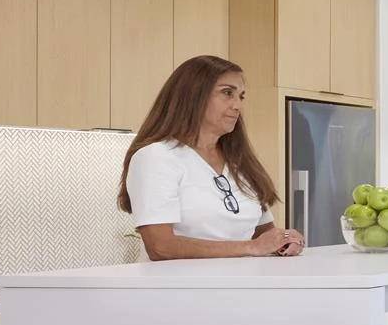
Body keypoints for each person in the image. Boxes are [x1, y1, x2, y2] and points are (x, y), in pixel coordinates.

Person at [119, 56, 305, 260]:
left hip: (240, 286)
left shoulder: (240, 163)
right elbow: (160, 246)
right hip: (177, 289)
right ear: (192, 95)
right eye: (227, 93)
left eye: (241, 96)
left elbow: (262, 234)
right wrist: (251, 247)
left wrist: (284, 239)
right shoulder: (156, 157)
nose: (238, 106)